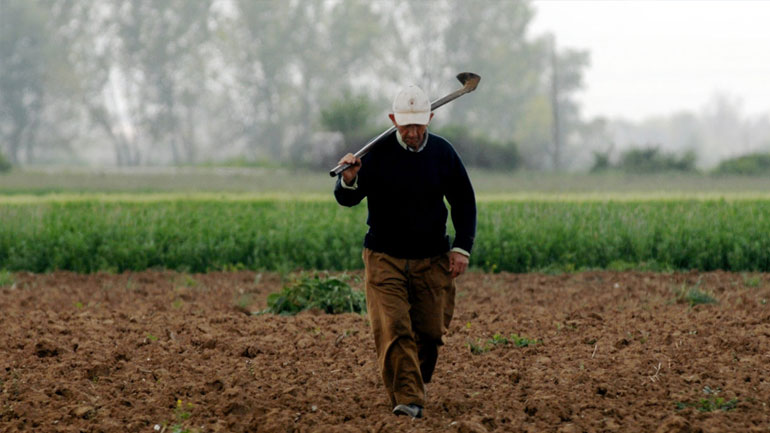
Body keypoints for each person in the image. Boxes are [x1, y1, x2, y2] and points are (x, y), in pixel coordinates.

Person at [333, 84, 477, 419]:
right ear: (393, 119)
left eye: (419, 125)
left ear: (430, 118)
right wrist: (349, 179)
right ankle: (409, 399)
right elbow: (347, 198)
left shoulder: (443, 154)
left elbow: (464, 202)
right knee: (394, 328)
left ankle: (412, 381)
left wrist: (461, 248)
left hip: (432, 259)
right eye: (405, 125)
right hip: (385, 258)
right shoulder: (375, 155)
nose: (412, 133)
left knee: (429, 333)